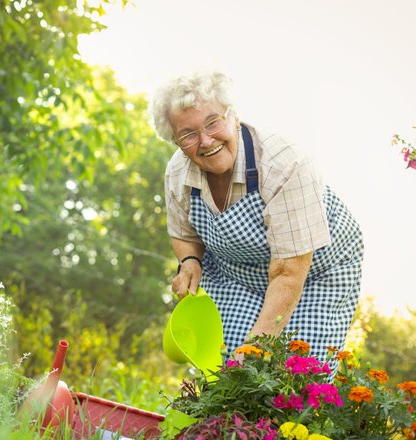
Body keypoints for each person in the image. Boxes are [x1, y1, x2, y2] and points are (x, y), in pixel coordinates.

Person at [150, 70, 364, 362]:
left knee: (294, 373)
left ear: (233, 117)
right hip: (237, 274)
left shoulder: (284, 165)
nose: (205, 140)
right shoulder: (178, 173)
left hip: (315, 273)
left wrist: (255, 347)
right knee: (222, 364)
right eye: (188, 134)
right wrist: (189, 261)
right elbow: (184, 234)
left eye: (213, 122)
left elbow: (288, 272)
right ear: (175, 141)